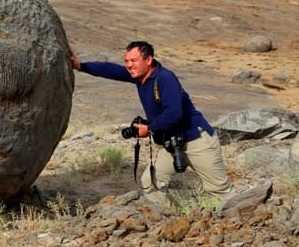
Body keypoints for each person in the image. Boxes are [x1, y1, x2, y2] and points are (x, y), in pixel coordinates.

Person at [69, 41, 233, 206]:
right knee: (151, 182)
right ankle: (165, 220)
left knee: (219, 190)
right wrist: (80, 66)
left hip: (197, 140)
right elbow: (111, 70)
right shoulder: (140, 77)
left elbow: (174, 113)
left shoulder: (165, 79)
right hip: (173, 143)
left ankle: (242, 220)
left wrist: (150, 128)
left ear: (148, 60)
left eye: (134, 61)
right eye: (126, 61)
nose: (129, 65)